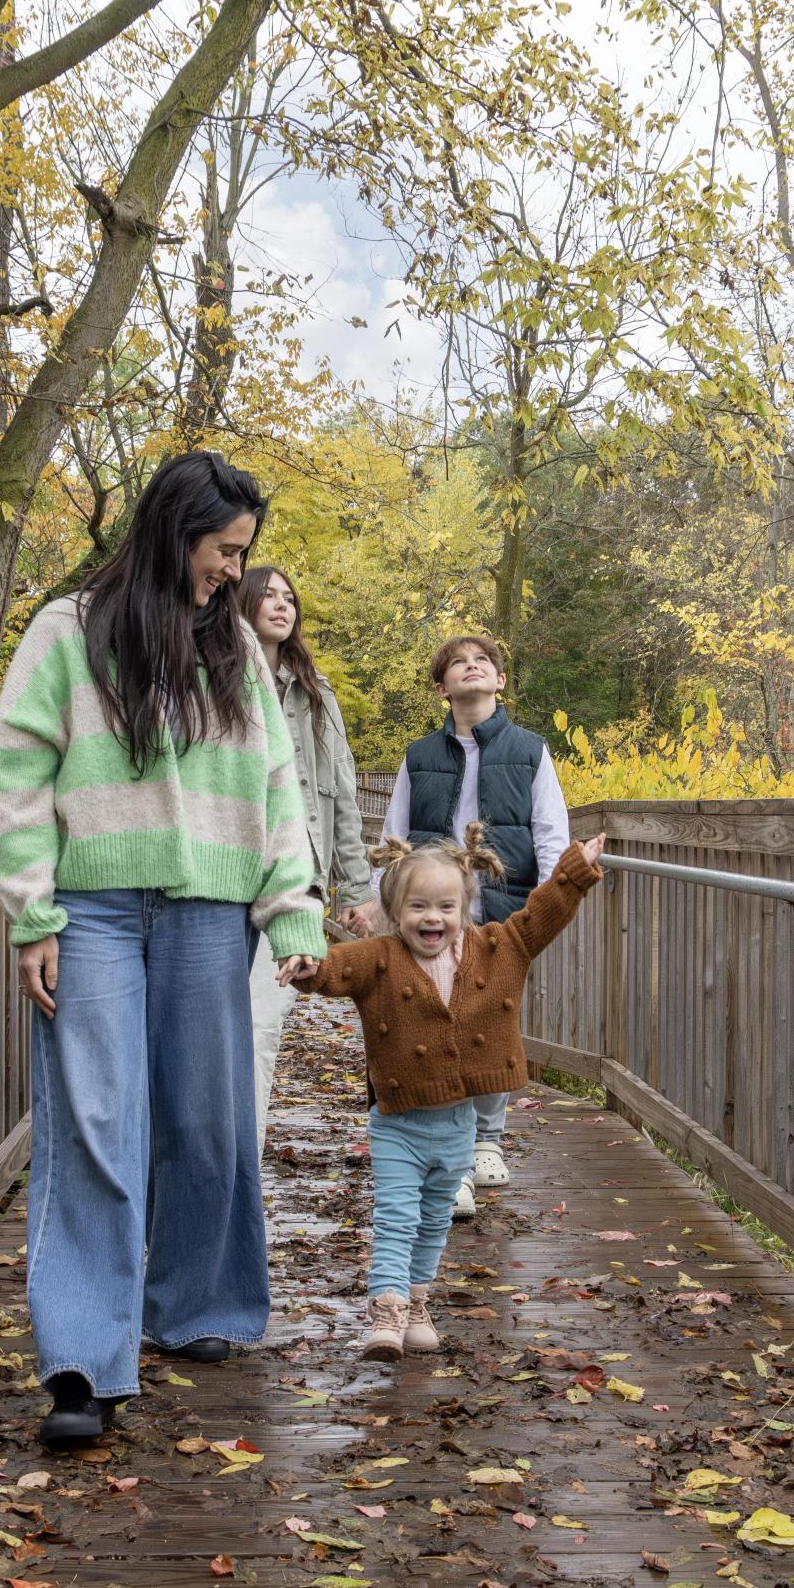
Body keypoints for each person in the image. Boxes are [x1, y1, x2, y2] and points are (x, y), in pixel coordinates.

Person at [0, 451, 326, 1449]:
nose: (233, 571)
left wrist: (293, 909)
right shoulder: (68, 630)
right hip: (90, 909)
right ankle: (85, 1362)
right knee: (96, 1118)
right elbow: (14, 774)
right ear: (178, 532)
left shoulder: (238, 654)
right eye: (224, 551)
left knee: (210, 1115)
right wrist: (32, 913)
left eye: (243, 555)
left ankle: (202, 1304)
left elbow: (277, 784)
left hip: (211, 909)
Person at [296, 823, 604, 1358]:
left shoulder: (496, 948)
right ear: (394, 912)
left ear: (464, 908)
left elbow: (541, 916)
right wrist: (305, 965)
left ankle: (417, 1303)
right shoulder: (380, 957)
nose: (431, 918)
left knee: (436, 1221)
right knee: (396, 1217)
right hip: (399, 1125)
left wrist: (573, 872)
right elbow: (333, 970)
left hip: (459, 1127)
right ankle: (385, 1315)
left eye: (445, 906)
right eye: (417, 907)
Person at [368, 634, 570, 1219]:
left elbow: (551, 832)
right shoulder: (419, 755)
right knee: (432, 1016)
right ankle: (452, 1159)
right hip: (432, 907)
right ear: (443, 687)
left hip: (501, 902)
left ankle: (486, 1139)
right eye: (458, 663)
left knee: (489, 1017)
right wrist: (382, 903)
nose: (472, 667)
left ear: (500, 681)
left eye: (483, 661)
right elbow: (393, 835)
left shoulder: (531, 751)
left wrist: (550, 900)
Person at [238, 563, 372, 1145]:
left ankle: (245, 1153)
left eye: (289, 597)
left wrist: (357, 889)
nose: (281, 604)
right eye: (267, 594)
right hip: (220, 875)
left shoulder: (318, 697)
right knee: (214, 1027)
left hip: (294, 881)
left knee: (261, 1024)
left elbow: (342, 792)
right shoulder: (216, 680)